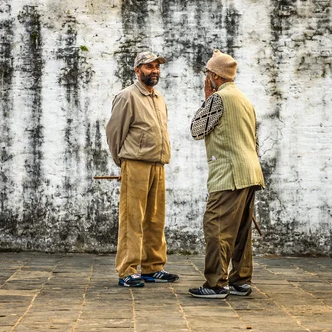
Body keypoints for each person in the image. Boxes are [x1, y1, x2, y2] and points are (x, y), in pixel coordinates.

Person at [188, 49, 265, 298]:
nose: (206, 78)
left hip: (229, 173)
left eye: (208, 74)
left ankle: (215, 284)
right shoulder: (244, 99)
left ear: (215, 76)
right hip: (250, 171)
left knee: (216, 227)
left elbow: (197, 130)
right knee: (241, 230)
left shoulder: (218, 99)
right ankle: (240, 281)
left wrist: (206, 97)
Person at [105, 51, 179, 287]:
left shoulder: (158, 98)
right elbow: (114, 132)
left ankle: (152, 266)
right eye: (148, 67)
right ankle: (127, 270)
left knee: (155, 218)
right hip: (135, 163)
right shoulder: (127, 96)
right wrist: (122, 162)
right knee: (133, 218)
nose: (154, 70)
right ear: (137, 71)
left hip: (158, 164)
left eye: (157, 67)